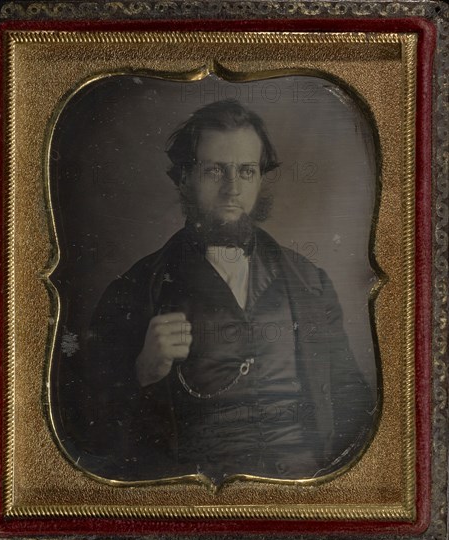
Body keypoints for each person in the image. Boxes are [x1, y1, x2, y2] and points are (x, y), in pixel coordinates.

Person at [64, 99, 377, 484]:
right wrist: (143, 370)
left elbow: (353, 400)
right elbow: (86, 428)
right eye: (215, 170)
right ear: (183, 178)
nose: (233, 189)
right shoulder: (134, 290)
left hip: (302, 483)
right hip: (196, 490)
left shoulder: (309, 282)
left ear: (260, 178)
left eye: (246, 171)